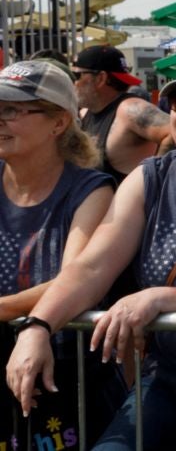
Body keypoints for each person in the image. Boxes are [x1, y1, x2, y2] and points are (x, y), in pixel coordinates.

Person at [6, 52, 176, 451]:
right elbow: (90, 267)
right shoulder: (149, 177)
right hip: (165, 380)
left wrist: (163, 297)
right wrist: (37, 327)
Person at [0, 60, 126, 447]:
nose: (0, 119)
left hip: (68, 383)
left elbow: (73, 281)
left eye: (12, 110)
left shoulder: (92, 190)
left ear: (59, 123)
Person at [72, 45, 173, 185]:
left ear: (100, 78)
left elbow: (174, 132)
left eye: (77, 76)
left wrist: (155, 182)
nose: (73, 83)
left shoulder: (129, 110)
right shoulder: (85, 113)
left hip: (128, 204)